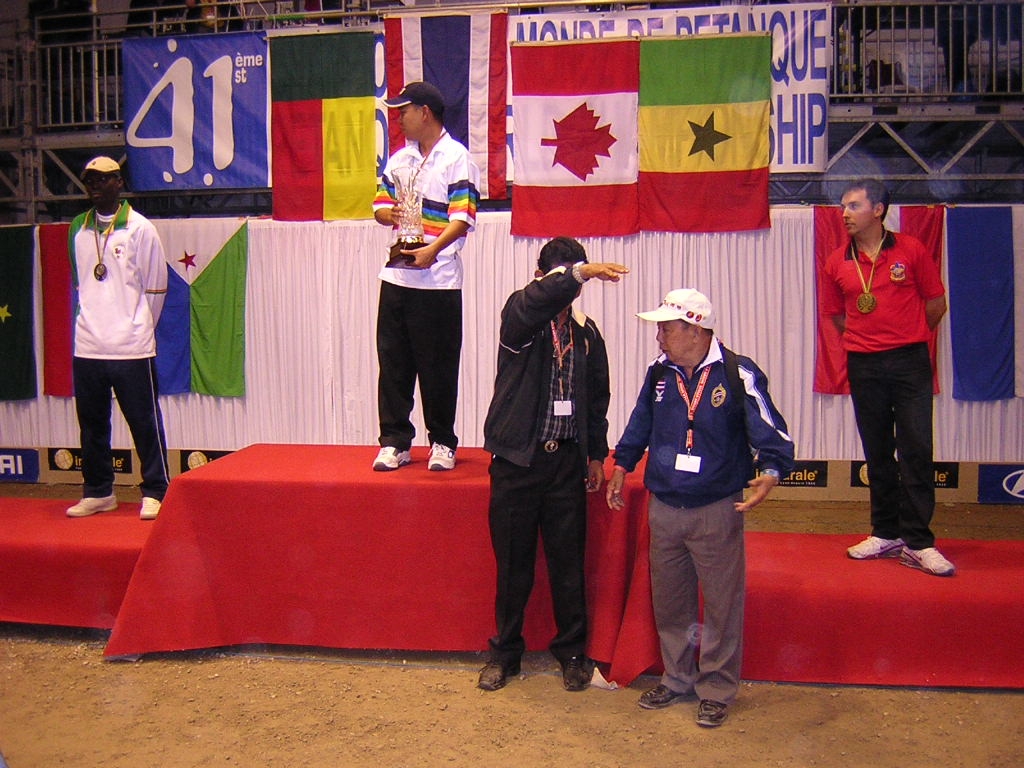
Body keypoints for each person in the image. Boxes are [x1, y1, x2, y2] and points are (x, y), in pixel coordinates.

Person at [606, 289, 794, 727]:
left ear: (695, 329)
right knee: (671, 601)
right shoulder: (659, 372)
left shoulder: (737, 372)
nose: (659, 337)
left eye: (666, 329)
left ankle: (717, 688)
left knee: (722, 604)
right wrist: (622, 464)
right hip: (665, 505)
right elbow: (640, 422)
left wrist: (771, 471)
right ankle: (677, 678)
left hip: (716, 507)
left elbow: (770, 430)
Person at [477, 237, 629, 692]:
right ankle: (505, 654)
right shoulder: (520, 314)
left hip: (565, 463)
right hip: (517, 462)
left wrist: (596, 454)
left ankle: (573, 653)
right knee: (513, 566)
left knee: (568, 566)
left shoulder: (586, 333)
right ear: (541, 276)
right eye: (564, 276)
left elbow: (597, 398)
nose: (571, 287)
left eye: (576, 277)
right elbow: (537, 300)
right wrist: (577, 273)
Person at [821, 179, 954, 577]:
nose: (844, 213)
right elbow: (837, 315)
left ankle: (919, 542)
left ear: (878, 210)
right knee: (878, 451)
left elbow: (936, 303)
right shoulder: (837, 261)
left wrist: (907, 336)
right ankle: (885, 532)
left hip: (909, 362)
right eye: (843, 206)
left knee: (916, 449)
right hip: (864, 364)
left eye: (853, 205)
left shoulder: (911, 250)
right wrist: (868, 341)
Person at [371, 82, 480, 472]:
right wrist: (392, 214)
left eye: (404, 111)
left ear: (425, 112)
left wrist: (432, 250)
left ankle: (443, 442)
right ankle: (394, 442)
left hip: (438, 281)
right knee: (393, 364)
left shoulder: (457, 158)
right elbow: (380, 205)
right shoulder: (400, 159)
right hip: (397, 277)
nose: (399, 119)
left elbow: (462, 217)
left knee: (438, 367)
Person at [65, 156, 170, 521]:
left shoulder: (140, 229)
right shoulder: (77, 228)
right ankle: (98, 491)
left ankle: (156, 490)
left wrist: (137, 327)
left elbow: (156, 287)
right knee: (92, 425)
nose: (95, 185)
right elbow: (81, 285)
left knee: (144, 422)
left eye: (102, 179)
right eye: (89, 180)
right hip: (89, 346)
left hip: (131, 347)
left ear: (119, 182)